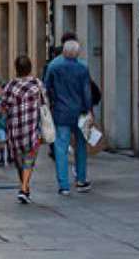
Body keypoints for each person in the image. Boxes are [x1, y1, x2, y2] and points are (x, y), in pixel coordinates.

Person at [42, 38, 95, 196]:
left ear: (64, 51)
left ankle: (63, 185)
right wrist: (89, 110)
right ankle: (81, 180)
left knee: (61, 148)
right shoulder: (83, 67)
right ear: (77, 52)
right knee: (81, 146)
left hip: (60, 112)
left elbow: (46, 88)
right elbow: (87, 92)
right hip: (80, 112)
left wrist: (50, 105)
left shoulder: (53, 66)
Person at [0, 55, 47, 205]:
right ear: (30, 67)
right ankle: (24, 188)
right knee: (29, 159)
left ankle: (24, 188)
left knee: (20, 160)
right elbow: (45, 103)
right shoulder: (37, 84)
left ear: (16, 68)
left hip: (15, 129)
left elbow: (3, 106)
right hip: (32, 128)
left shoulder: (11, 85)